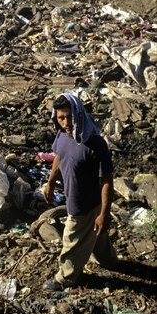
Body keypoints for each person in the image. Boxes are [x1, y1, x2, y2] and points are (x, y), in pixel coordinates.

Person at [43, 93, 118, 291]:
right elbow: (59, 156)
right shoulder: (62, 136)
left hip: (84, 205)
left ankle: (65, 277)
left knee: (71, 243)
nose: (66, 122)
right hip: (77, 200)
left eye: (69, 116)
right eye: (61, 118)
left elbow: (107, 180)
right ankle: (109, 261)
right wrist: (50, 181)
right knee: (97, 237)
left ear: (78, 114)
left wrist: (104, 213)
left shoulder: (94, 143)